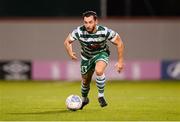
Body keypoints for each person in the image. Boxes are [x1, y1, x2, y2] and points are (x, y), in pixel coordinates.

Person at [64, 11, 124, 109]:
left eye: (90, 22)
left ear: (96, 21)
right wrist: (70, 52)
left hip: (101, 54)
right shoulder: (79, 31)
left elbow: (119, 42)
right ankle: (84, 99)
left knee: (99, 71)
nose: (87, 25)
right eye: (85, 22)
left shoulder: (104, 31)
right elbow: (67, 41)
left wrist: (120, 61)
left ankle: (101, 96)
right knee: (85, 81)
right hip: (86, 57)